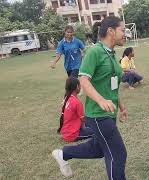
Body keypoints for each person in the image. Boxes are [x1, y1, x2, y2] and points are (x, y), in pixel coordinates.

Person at [52, 16, 128, 179]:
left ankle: (63, 154)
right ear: (111, 31)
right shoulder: (95, 51)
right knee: (117, 154)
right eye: (122, 30)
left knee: (99, 149)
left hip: (109, 113)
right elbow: (83, 79)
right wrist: (100, 100)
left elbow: (111, 84)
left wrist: (121, 106)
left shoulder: (111, 53)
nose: (125, 34)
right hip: (98, 115)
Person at [57, 77, 94, 142]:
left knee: (90, 125)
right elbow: (83, 120)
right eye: (80, 85)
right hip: (73, 135)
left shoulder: (66, 99)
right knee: (96, 131)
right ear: (77, 87)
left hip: (65, 132)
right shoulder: (77, 103)